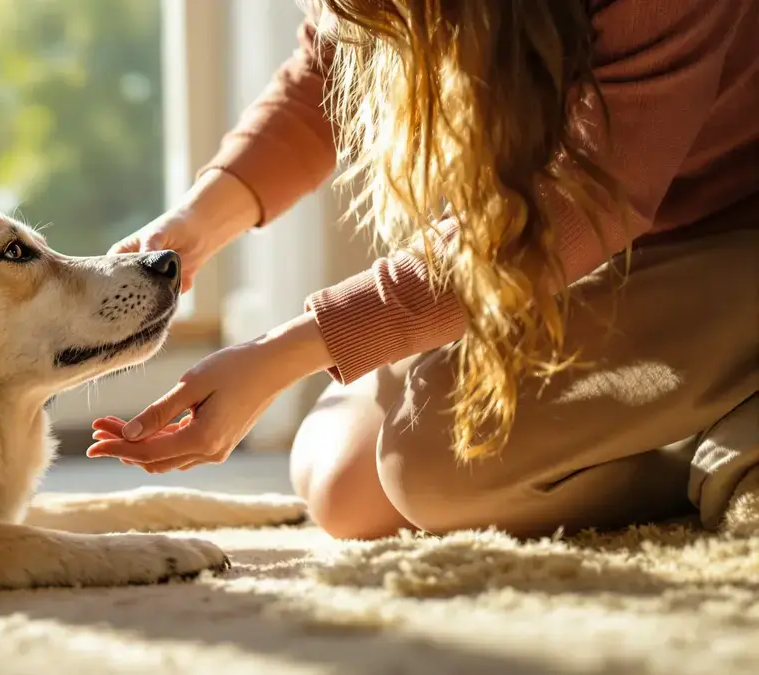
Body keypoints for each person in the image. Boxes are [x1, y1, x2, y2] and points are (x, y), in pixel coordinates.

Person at [86, 0, 758, 541]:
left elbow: (572, 209)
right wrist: (196, 225)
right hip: (603, 253)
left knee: (431, 471)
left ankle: (723, 429)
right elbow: (332, 66)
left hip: (728, 235)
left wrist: (281, 353)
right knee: (340, 479)